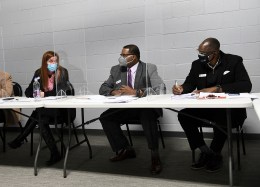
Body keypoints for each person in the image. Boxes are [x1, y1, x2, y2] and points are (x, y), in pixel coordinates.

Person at [172, 38, 252, 172]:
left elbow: (246, 85)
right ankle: (205, 151)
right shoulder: (197, 64)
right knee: (183, 115)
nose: (200, 56)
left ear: (215, 52)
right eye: (199, 52)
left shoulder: (234, 61)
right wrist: (181, 88)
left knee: (223, 116)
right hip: (206, 108)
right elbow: (190, 83)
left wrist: (218, 88)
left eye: (204, 53)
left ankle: (215, 153)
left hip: (230, 110)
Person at [99, 44, 164, 174]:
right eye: (121, 55)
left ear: (133, 57)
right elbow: (103, 88)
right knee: (105, 117)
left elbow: (160, 89)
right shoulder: (116, 69)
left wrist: (135, 92)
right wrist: (113, 92)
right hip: (125, 108)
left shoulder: (148, 68)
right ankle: (126, 149)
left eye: (124, 55)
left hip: (145, 108)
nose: (120, 58)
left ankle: (155, 155)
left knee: (148, 116)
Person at [9, 51, 75, 166]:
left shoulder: (62, 72)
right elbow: (28, 91)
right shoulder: (39, 72)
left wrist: (44, 94)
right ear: (45, 62)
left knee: (39, 116)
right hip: (46, 111)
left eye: (55, 61)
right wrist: (36, 92)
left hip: (62, 110)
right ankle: (55, 153)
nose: (54, 63)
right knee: (40, 117)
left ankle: (20, 139)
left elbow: (62, 92)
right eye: (51, 61)